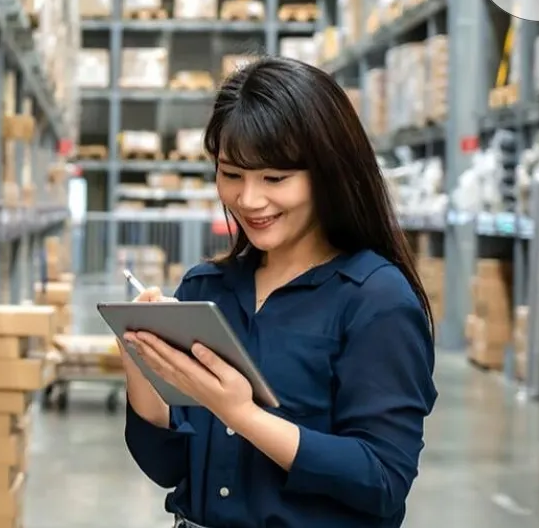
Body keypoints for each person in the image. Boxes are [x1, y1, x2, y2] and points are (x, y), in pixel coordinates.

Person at [120, 57, 438, 528]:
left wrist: (239, 413)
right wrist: (140, 360)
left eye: (274, 178)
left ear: (327, 172)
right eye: (231, 174)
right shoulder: (205, 290)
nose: (249, 199)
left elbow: (382, 482)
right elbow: (168, 468)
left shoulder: (375, 300)